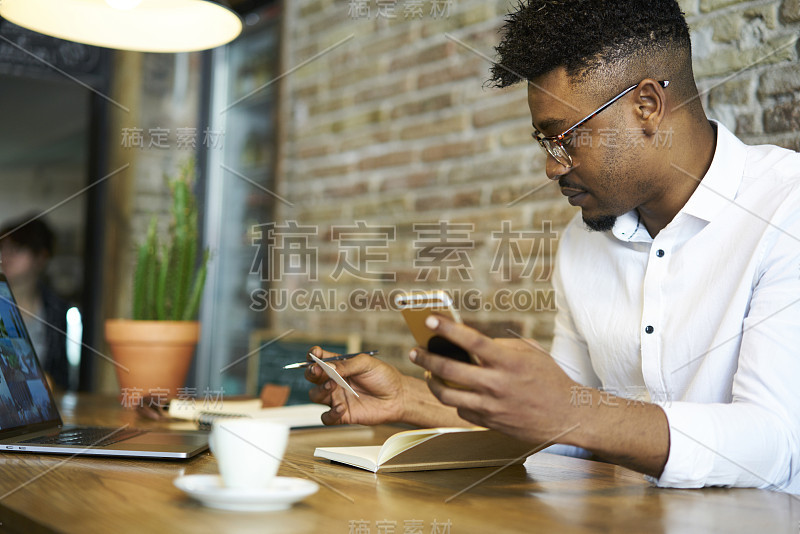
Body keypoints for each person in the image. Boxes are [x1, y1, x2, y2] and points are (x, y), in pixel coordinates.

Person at [304, 0, 800, 492]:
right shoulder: (581, 246)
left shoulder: (784, 209)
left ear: (646, 106)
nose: (552, 166)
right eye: (545, 143)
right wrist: (410, 400)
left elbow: (774, 444)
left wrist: (571, 412)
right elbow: (557, 430)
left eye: (564, 137)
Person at [0, 215, 71, 390]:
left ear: (41, 257)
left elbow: (61, 375)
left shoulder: (56, 310)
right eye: (2, 248)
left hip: (37, 407)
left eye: (17, 249)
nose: (6, 256)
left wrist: (49, 382)